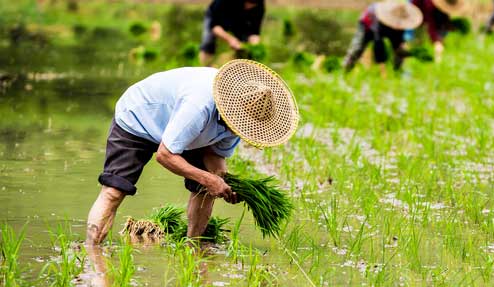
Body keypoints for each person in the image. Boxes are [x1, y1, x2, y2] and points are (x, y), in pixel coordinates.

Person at [84, 59, 299, 247]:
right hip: (139, 118)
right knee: (114, 191)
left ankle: (193, 248)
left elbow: (215, 157)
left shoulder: (242, 121)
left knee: (206, 190)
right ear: (230, 108)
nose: (241, 130)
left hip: (186, 132)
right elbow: (165, 155)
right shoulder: (199, 105)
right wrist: (207, 178)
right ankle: (91, 253)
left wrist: (223, 183)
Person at [343, 1, 423, 74]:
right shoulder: (379, 19)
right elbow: (378, 44)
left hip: (385, 27)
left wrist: (412, 53)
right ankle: (346, 69)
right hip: (367, 24)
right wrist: (383, 71)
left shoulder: (401, 23)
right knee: (358, 47)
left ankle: (398, 71)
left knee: (399, 49)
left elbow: (398, 43)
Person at [199, 0, 265, 66]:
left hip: (241, 19)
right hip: (217, 16)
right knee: (208, 43)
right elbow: (214, 27)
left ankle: (238, 70)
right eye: (247, 3)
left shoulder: (259, 5)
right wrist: (230, 39)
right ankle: (203, 68)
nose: (248, 7)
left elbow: (254, 31)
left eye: (252, 6)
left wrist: (254, 46)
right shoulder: (223, 2)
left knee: (244, 49)